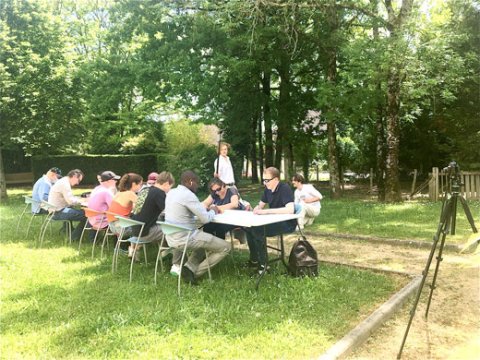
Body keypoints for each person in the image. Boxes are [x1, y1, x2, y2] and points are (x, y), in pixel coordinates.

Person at [165, 170, 231, 285]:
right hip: (187, 237)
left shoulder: (171, 192)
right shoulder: (188, 195)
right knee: (226, 247)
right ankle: (193, 272)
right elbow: (205, 219)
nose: (198, 186)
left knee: (203, 244)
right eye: (197, 183)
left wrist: (201, 209)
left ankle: (188, 267)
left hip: (171, 237)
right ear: (191, 182)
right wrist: (214, 210)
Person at [245, 167, 296, 273]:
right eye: (263, 180)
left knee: (257, 230)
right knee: (248, 228)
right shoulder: (267, 190)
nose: (265, 183)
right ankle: (255, 260)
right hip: (274, 221)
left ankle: (263, 265)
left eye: (267, 180)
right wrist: (256, 209)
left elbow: (290, 210)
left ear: (276, 179)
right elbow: (260, 205)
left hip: (287, 223)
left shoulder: (285, 188)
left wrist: (266, 211)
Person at [130, 171, 175, 261]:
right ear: (166, 184)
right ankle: (168, 256)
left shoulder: (144, 190)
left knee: (162, 226)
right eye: (170, 187)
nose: (169, 190)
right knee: (174, 230)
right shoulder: (159, 193)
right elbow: (170, 211)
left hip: (135, 230)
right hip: (145, 232)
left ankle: (164, 253)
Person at [106, 173, 143, 256]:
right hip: (122, 228)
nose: (141, 187)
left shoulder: (119, 193)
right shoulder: (130, 194)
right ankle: (134, 250)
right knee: (144, 229)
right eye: (140, 184)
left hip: (112, 227)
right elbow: (143, 206)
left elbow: (130, 207)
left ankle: (127, 249)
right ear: (134, 184)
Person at [47, 169, 87, 241]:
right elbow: (70, 201)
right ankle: (74, 238)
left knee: (80, 211)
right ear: (74, 176)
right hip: (58, 212)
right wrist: (83, 200)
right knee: (88, 215)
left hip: (54, 211)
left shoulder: (63, 181)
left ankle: (68, 231)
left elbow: (69, 198)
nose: (78, 183)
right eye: (78, 180)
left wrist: (78, 199)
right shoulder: (65, 184)